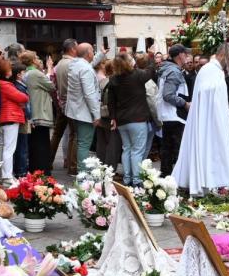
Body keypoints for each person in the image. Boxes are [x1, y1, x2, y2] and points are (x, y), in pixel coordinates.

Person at [173, 42, 229, 195]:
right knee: (206, 149)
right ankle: (205, 184)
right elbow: (208, 94)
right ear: (222, 55)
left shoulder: (216, 71)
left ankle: (213, 183)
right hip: (208, 120)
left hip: (213, 118)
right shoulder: (210, 70)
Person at [109, 51, 157, 185]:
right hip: (138, 119)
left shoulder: (113, 79)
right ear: (128, 63)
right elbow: (151, 71)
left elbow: (111, 101)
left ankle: (127, 178)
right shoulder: (138, 75)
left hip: (122, 120)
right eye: (131, 59)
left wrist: (113, 117)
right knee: (137, 151)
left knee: (127, 149)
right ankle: (136, 181)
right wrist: (151, 56)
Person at [65, 43, 102, 171]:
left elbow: (88, 66)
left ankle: (82, 172)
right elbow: (89, 94)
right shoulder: (85, 68)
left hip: (75, 110)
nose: (93, 52)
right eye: (93, 50)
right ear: (88, 54)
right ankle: (83, 174)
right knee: (84, 144)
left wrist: (101, 54)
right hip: (84, 112)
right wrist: (96, 115)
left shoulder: (76, 65)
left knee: (81, 142)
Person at [157, 45, 191, 177]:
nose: (187, 58)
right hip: (175, 116)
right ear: (180, 55)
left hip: (168, 115)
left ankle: (166, 179)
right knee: (177, 150)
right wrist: (185, 104)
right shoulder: (174, 71)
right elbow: (168, 95)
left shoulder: (167, 69)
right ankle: (178, 179)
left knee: (167, 150)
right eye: (186, 55)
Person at [0, 59, 29, 186]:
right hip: (11, 117)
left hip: (3, 118)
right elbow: (23, 97)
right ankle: (7, 176)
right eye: (9, 69)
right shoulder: (6, 84)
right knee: (9, 148)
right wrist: (21, 100)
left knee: (1, 147)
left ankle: (0, 175)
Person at [50, 39, 79, 175]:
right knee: (74, 134)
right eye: (77, 46)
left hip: (62, 103)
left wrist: (58, 102)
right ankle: (73, 166)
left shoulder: (59, 64)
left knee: (57, 133)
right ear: (72, 49)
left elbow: (53, 85)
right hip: (71, 104)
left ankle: (47, 161)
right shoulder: (72, 64)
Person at [24, 50, 56, 173]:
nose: (39, 60)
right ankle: (42, 171)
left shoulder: (28, 72)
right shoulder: (35, 73)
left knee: (36, 144)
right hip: (40, 113)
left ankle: (37, 170)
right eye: (37, 58)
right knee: (41, 145)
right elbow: (51, 85)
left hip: (34, 112)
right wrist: (49, 70)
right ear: (32, 61)